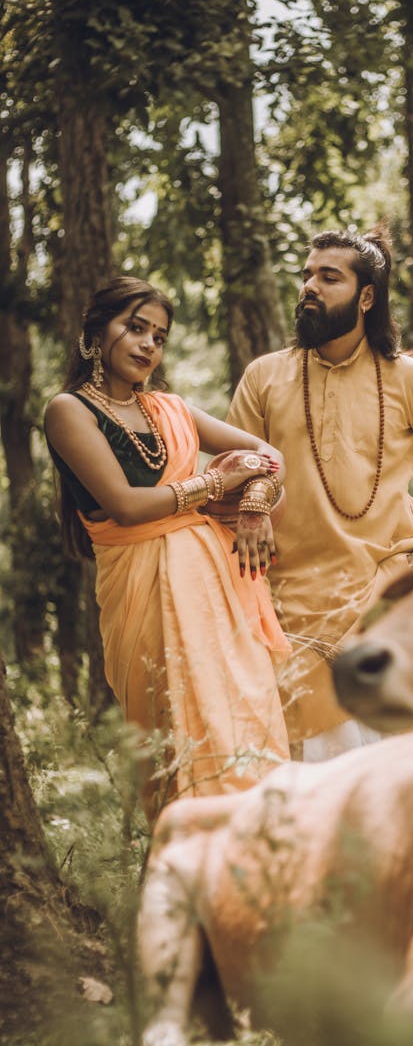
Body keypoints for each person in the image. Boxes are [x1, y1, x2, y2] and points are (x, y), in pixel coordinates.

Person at [227, 225, 413, 760]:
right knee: (320, 793)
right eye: (306, 276)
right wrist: (250, 505)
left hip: (384, 600)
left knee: (406, 784)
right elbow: (234, 466)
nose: (309, 288)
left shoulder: (410, 378)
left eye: (328, 277)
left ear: (367, 296)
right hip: (290, 609)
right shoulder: (264, 377)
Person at [45, 276, 290, 823]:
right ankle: (189, 866)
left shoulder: (170, 409)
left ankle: (260, 855)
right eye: (134, 328)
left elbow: (267, 455)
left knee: (239, 718)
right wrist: (214, 485)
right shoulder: (69, 411)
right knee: (174, 728)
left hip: (217, 589)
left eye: (159, 335)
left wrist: (253, 505)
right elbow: (126, 506)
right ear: (94, 332)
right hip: (140, 589)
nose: (148, 344)